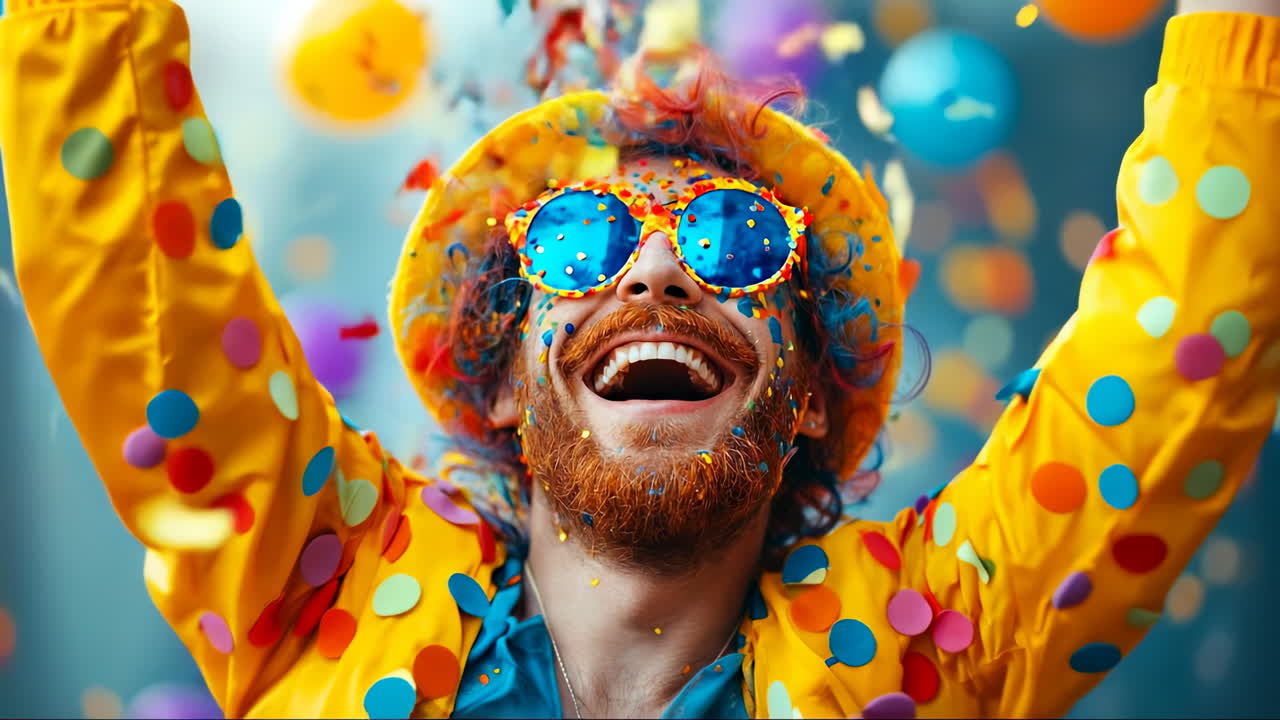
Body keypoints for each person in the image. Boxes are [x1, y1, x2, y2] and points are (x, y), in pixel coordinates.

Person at [2, 0, 1277, 717]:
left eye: (735, 240)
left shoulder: (949, 645)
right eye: (579, 236)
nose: (657, 273)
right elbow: (136, 279)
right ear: (501, 378)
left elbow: (1184, 350)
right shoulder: (313, 589)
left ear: (804, 402)